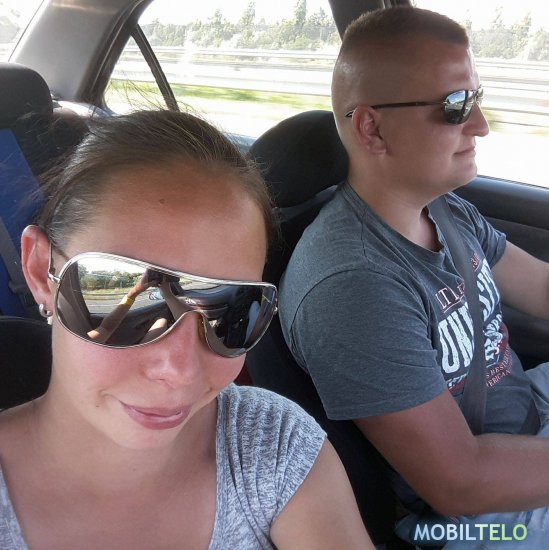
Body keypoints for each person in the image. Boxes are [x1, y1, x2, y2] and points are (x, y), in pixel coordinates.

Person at [0, 109, 373, 549]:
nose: (179, 371)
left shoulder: (271, 446)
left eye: (233, 310)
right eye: (127, 296)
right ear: (41, 271)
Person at [279, 6, 549, 548]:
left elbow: (542, 289)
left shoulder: (444, 209)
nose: (481, 124)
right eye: (455, 106)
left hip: (531, 418)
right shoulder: (351, 284)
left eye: (477, 97)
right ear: (372, 128)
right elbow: (460, 482)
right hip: (475, 512)